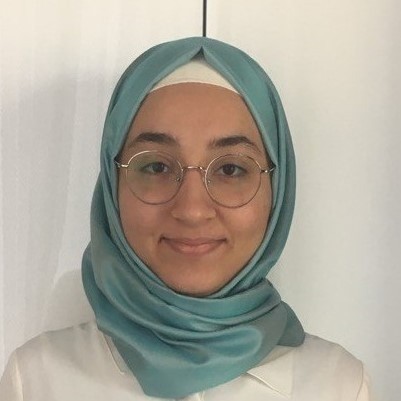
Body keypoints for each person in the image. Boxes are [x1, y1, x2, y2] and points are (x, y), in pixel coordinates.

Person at [0, 37, 372, 400]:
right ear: (112, 187)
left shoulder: (338, 387)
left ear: (278, 190)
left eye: (230, 169)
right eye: (156, 166)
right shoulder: (35, 382)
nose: (192, 210)